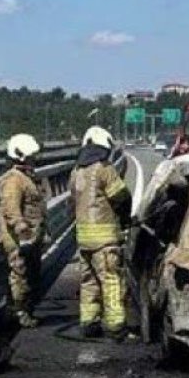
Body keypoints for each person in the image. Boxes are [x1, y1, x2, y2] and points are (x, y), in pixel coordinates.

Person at [72, 126, 132, 339]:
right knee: (111, 280)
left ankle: (88, 322)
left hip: (83, 238)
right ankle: (116, 326)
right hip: (104, 238)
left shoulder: (76, 171)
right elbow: (121, 197)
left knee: (88, 281)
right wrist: (125, 221)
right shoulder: (104, 169)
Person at [0, 134, 46, 327]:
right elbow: (11, 209)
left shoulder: (26, 177)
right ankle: (19, 313)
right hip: (20, 240)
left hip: (31, 238)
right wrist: (22, 230)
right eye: (31, 156)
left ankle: (24, 310)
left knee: (30, 275)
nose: (34, 159)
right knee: (20, 275)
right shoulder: (13, 180)